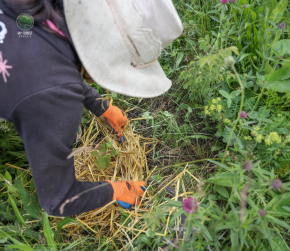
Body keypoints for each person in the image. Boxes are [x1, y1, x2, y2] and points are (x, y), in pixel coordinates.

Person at [0, 0, 182, 216]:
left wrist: (102, 107)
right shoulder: (53, 100)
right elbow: (60, 199)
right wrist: (118, 189)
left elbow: (46, 67)